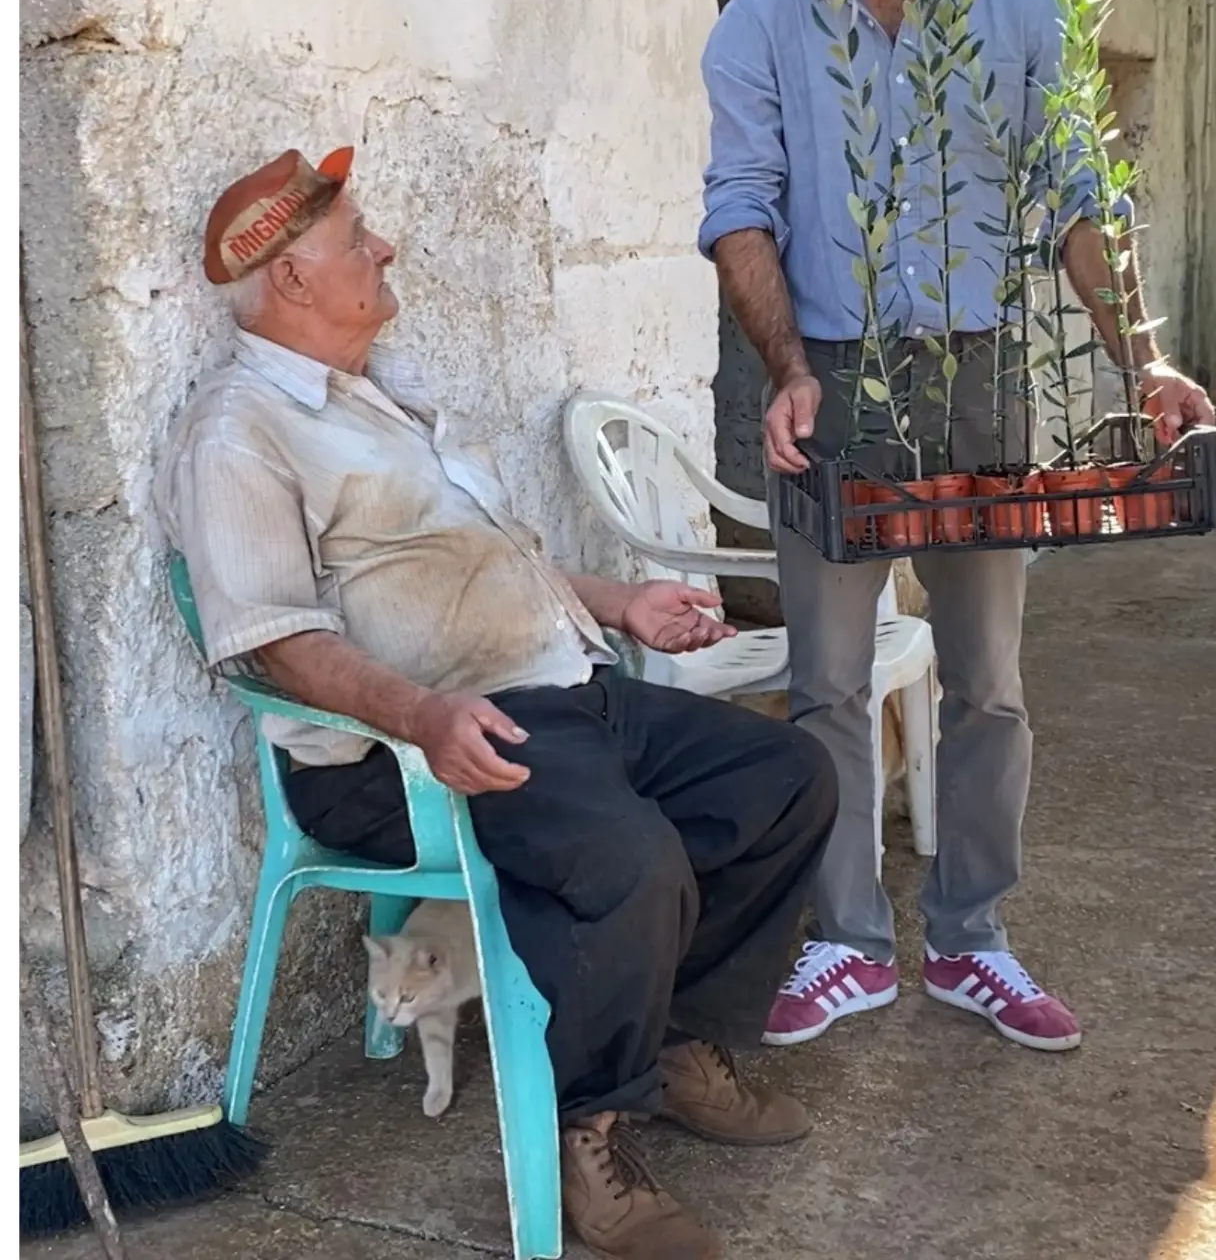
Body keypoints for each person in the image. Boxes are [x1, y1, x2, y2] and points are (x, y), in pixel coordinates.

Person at [156, 144, 838, 1260]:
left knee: (787, 778)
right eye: (354, 242)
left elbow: (473, 568)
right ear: (288, 280)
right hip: (408, 754)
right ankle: (591, 1133)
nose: (384, 248)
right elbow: (273, 643)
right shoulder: (240, 434)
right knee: (631, 861)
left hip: (555, 692)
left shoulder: (385, 396)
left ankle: (673, 1042)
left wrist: (614, 601)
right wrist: (421, 718)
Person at [699, 0, 1216, 1053]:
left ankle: (973, 940)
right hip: (835, 377)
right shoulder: (759, 23)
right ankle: (844, 942)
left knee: (986, 682)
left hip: (982, 376)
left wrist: (1140, 357)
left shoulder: (1019, 12)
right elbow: (740, 211)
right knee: (823, 684)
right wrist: (787, 371)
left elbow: (1073, 206)